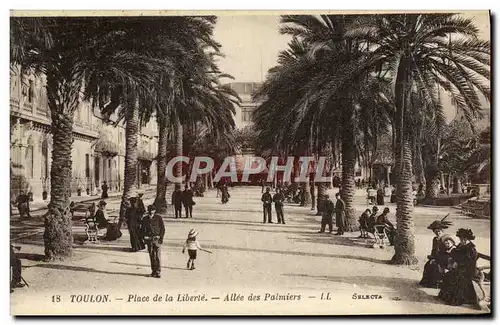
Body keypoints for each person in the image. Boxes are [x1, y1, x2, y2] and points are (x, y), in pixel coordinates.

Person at [439, 228, 481, 308]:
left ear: (469, 239)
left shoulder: (471, 249)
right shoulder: (461, 246)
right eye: (461, 239)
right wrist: (455, 261)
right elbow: (455, 255)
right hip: (460, 268)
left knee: (458, 278)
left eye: (465, 239)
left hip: (468, 270)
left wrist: (458, 263)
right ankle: (446, 296)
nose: (463, 241)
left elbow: (470, 263)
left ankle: (462, 299)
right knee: (448, 275)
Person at [419, 218, 453, 288]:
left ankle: (437, 283)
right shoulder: (435, 239)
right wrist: (432, 257)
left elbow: (451, 249)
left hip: (446, 258)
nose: (438, 233)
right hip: (437, 257)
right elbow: (434, 250)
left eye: (439, 231)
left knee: (436, 266)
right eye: (436, 231)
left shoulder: (446, 238)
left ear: (442, 230)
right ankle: (429, 282)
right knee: (428, 264)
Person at [141, 205, 165, 278]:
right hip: (149, 240)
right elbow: (142, 229)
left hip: (157, 239)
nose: (151, 212)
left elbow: (162, 229)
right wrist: (144, 237)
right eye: (150, 210)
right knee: (152, 256)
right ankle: (153, 271)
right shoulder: (145, 219)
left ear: (155, 211)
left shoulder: (159, 218)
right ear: (148, 211)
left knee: (157, 256)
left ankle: (158, 272)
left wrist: (160, 238)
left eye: (153, 210)